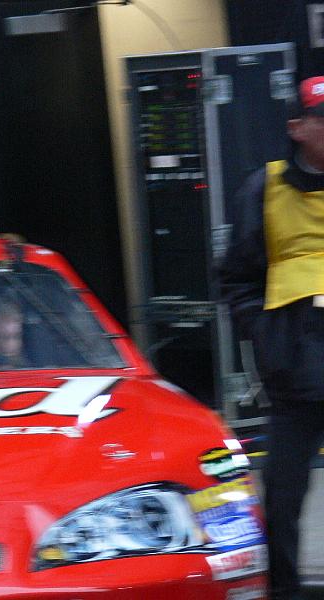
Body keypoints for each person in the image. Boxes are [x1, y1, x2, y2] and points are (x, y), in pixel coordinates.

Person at [219, 76, 324, 600]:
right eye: (322, 119)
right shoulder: (265, 188)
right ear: (297, 127)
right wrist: (264, 335)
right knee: (282, 499)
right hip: (294, 375)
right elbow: (235, 275)